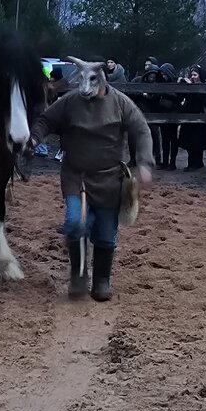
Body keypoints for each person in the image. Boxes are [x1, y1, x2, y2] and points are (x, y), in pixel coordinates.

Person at [29, 61, 155, 302]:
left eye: (92, 81)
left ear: (102, 79)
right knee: (76, 223)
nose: (85, 88)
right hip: (77, 177)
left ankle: (101, 281)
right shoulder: (69, 102)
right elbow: (46, 120)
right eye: (81, 81)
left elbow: (141, 129)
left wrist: (145, 162)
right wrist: (34, 140)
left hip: (109, 180)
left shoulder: (120, 102)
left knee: (106, 235)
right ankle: (78, 276)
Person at [177, 66, 206, 172]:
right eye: (192, 75)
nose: (192, 77)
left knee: (198, 141)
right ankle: (191, 163)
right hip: (189, 117)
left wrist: (194, 89)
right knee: (189, 141)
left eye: (195, 75)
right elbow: (181, 95)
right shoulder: (189, 86)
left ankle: (198, 163)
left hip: (199, 117)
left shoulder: (204, 86)